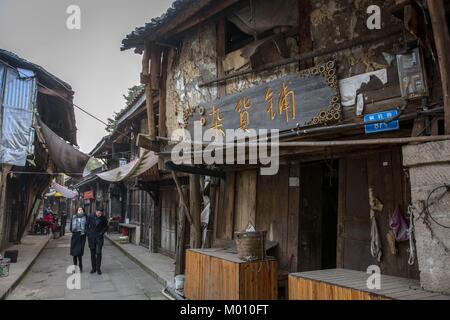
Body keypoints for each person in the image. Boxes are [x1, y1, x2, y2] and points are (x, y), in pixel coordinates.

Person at [86, 208, 108, 274]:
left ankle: (98, 268)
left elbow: (106, 227)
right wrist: (88, 233)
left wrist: (102, 233)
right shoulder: (90, 216)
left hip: (99, 238)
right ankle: (93, 268)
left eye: (101, 213)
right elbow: (86, 225)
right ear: (96, 212)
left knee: (98, 252)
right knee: (92, 254)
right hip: (91, 238)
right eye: (98, 213)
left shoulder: (103, 218)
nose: (99, 215)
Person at [70, 208, 87, 272]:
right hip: (75, 235)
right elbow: (71, 228)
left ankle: (80, 266)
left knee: (79, 252)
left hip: (82, 236)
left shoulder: (86, 218)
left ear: (83, 210)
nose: (80, 211)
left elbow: (87, 226)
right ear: (77, 211)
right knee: (74, 253)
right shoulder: (73, 217)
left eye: (81, 209)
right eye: (79, 210)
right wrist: (75, 230)